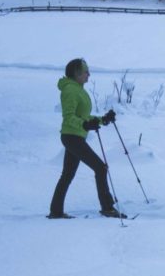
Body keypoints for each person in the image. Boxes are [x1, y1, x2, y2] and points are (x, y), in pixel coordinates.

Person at [48, 58, 125, 219]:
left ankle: (56, 211)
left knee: (68, 175)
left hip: (75, 136)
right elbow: (69, 118)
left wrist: (102, 120)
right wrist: (85, 125)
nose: (89, 74)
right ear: (77, 73)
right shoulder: (70, 90)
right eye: (86, 71)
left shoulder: (78, 89)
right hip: (72, 137)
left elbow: (84, 116)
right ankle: (108, 208)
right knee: (100, 168)